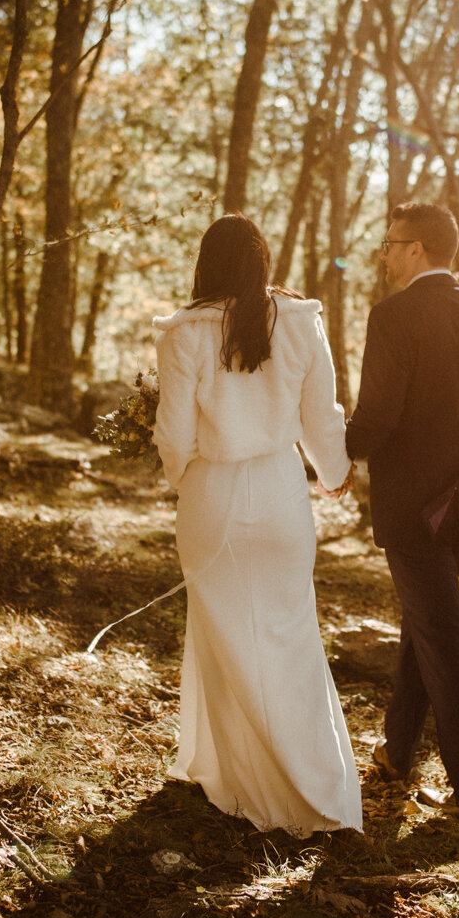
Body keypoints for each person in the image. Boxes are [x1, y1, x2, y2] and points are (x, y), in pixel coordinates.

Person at [151, 214, 362, 836]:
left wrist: (180, 476)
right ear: (263, 262)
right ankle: (310, 785)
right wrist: (334, 470)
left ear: (206, 265)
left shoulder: (184, 331)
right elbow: (320, 417)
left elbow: (174, 433)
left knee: (220, 638)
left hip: (211, 495)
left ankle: (237, 779)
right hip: (279, 493)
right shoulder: (299, 321)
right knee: (290, 635)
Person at [345, 202, 459, 820]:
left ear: (417, 249)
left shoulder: (393, 317)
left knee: (441, 637)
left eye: (390, 243)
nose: (385, 254)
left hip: (416, 509)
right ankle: (397, 753)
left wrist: (333, 458)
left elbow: (379, 417)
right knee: (424, 626)